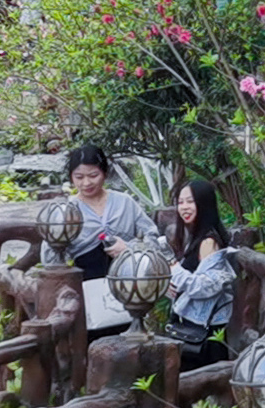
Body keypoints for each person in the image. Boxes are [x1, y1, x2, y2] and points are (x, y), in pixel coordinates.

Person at [61, 144, 157, 280]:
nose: (86, 183)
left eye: (93, 175)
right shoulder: (67, 211)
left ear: (105, 173)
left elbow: (152, 237)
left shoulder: (125, 202)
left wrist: (130, 248)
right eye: (79, 177)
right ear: (71, 177)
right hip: (87, 284)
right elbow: (52, 254)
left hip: (131, 282)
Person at [162, 180, 233, 353]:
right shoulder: (193, 237)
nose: (184, 207)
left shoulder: (208, 242)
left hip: (205, 334)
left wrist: (173, 266)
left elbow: (203, 287)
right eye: (180, 202)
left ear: (204, 203)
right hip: (192, 328)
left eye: (190, 201)